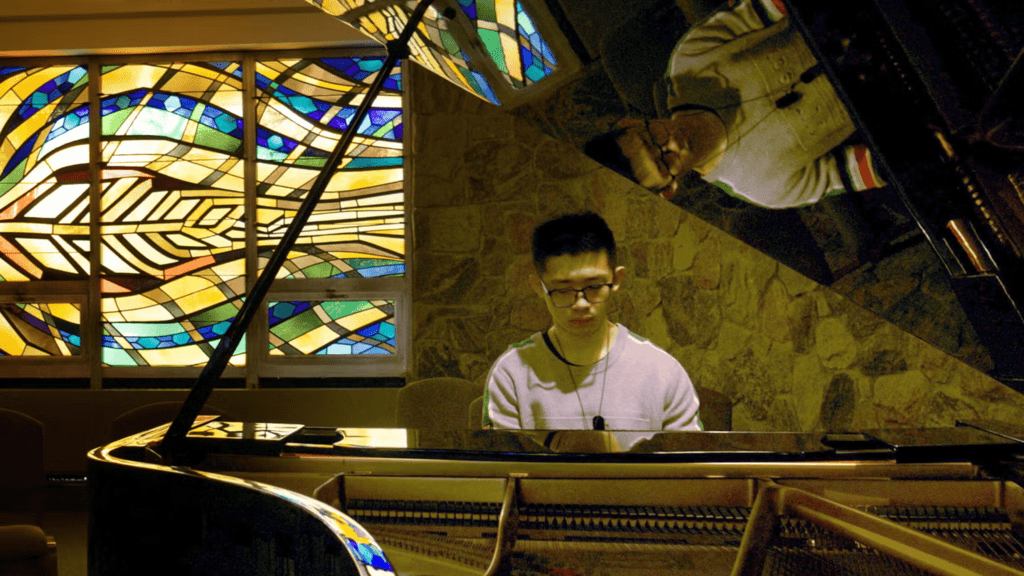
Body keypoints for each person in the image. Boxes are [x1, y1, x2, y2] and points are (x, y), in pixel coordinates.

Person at [584, 0, 886, 209]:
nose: (672, 143)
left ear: (632, 123)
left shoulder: (690, 59)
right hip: (894, 80)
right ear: (669, 189)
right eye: (664, 163)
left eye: (651, 138)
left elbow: (771, 5)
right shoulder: (766, 188)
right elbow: (874, 168)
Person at [482, 211, 702, 433]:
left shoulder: (662, 372)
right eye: (563, 290)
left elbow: (692, 455)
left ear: (616, 279)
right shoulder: (511, 373)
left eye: (594, 287)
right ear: (539, 287)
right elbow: (498, 455)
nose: (581, 304)